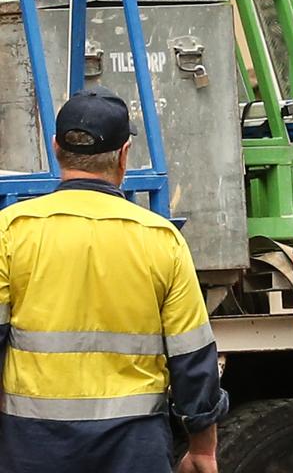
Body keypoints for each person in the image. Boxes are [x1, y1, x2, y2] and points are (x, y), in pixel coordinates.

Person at [0, 87, 228, 473]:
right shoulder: (161, 239)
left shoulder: (11, 231)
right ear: (124, 155)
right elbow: (192, 359)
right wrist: (202, 446)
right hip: (133, 447)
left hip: (31, 446)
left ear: (56, 148)